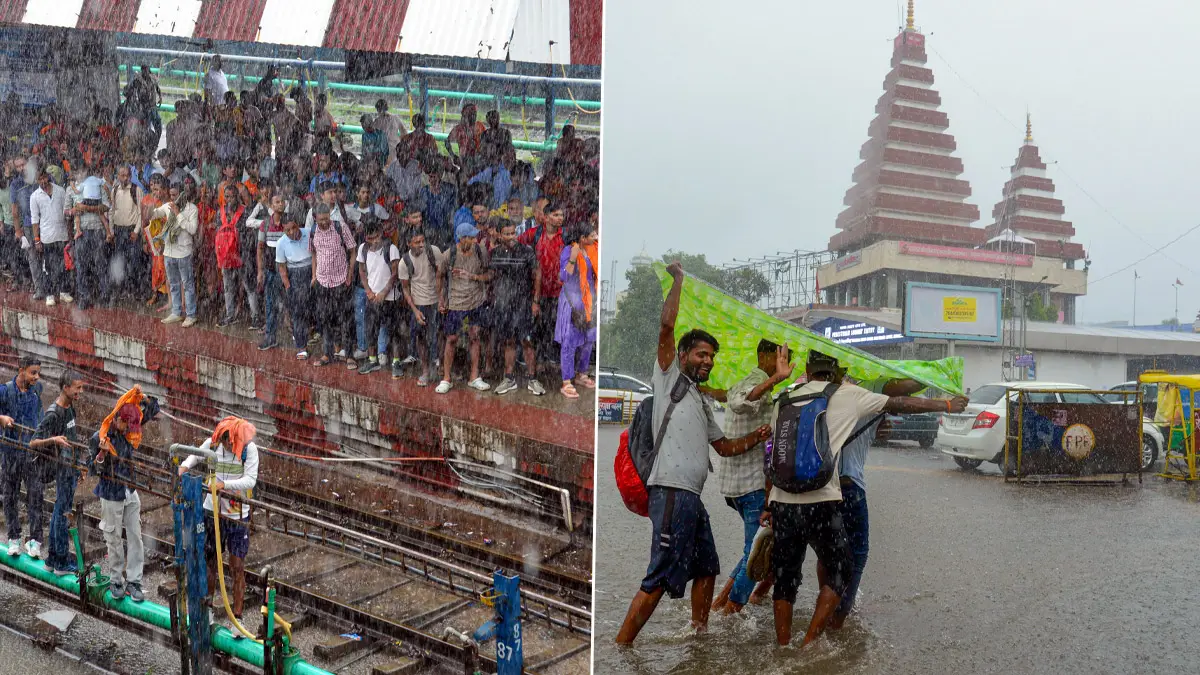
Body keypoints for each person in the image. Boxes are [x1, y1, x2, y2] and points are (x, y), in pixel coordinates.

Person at [614, 262, 773, 645]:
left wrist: (758, 434)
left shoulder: (701, 402)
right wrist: (679, 282)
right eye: (701, 354)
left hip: (691, 498)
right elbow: (667, 327)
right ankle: (622, 647)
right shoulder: (668, 377)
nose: (708, 361)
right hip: (669, 492)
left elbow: (724, 448)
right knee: (657, 577)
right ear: (683, 354)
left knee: (707, 566)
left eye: (711, 358)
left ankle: (698, 634)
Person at [762, 351, 967, 647]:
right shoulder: (848, 394)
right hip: (821, 498)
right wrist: (946, 404)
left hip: (784, 499)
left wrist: (769, 500)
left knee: (785, 578)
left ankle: (782, 648)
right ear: (837, 370)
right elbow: (900, 403)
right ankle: (810, 641)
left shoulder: (785, 398)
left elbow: (774, 451)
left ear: (807, 368)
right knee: (845, 564)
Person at [818, 371, 923, 629]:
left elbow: (874, 432)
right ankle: (838, 616)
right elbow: (908, 385)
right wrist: (935, 383)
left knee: (827, 552)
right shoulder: (871, 387)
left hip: (820, 487)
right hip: (849, 484)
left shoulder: (824, 392)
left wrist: (880, 429)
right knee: (858, 553)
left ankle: (827, 602)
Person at [710, 339, 795, 616]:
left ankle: (721, 602)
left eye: (787, 358)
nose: (784, 363)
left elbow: (726, 396)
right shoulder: (753, 383)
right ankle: (731, 612)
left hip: (740, 487)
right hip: (750, 488)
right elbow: (739, 401)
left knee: (755, 549)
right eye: (780, 357)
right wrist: (775, 378)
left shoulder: (765, 391)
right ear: (764, 355)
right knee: (755, 552)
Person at [178, 417, 260, 622]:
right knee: (210, 561)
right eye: (226, 443)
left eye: (232, 443)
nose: (229, 446)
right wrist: (185, 466)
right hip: (212, 510)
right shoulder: (213, 444)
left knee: (236, 566)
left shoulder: (249, 450)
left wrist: (225, 485)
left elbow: (250, 479)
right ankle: (208, 609)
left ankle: (237, 617)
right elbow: (196, 455)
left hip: (237, 515)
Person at [88, 400, 147, 601]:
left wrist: (144, 398)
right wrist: (103, 453)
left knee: (135, 536)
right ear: (117, 419)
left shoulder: (129, 432)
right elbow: (92, 468)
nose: (127, 430)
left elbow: (152, 409)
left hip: (130, 490)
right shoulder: (100, 437)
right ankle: (116, 579)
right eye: (125, 426)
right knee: (113, 539)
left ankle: (134, 580)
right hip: (111, 493)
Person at [33, 370, 85, 576]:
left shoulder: (70, 407)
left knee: (60, 510)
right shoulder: (54, 414)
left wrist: (78, 464)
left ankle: (53, 558)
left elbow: (73, 438)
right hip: (62, 469)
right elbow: (34, 442)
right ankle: (61, 562)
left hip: (70, 467)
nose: (80, 391)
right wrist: (53, 440)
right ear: (66, 387)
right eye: (78, 387)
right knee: (62, 512)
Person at [488, 220, 545, 396]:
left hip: (523, 305)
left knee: (527, 341)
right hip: (504, 306)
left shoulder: (526, 251)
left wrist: (535, 301)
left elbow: (537, 275)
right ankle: (509, 378)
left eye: (513, 233)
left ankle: (532, 380)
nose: (511, 237)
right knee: (509, 341)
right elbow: (492, 277)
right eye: (507, 234)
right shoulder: (495, 254)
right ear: (499, 235)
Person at [436, 222, 490, 394]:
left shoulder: (481, 251)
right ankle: (446, 378)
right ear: (462, 238)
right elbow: (439, 276)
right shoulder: (449, 255)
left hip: (476, 302)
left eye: (474, 237)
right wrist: (441, 300)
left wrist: (473, 277)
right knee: (451, 339)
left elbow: (489, 274)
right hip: (456, 303)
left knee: (475, 336)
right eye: (471, 237)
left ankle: (474, 376)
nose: (475, 240)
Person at [0, 356, 45, 560]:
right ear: (21, 371)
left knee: (36, 495)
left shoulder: (36, 392)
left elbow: (41, 418)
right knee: (10, 496)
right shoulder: (5, 391)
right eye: (33, 372)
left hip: (31, 455)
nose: (36, 377)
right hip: (10, 454)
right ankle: (14, 537)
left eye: (38, 373)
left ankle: (35, 539)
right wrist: (1, 418)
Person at [308, 202, 357, 368]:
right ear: (315, 218)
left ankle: (349, 355)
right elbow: (314, 254)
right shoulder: (313, 231)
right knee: (325, 319)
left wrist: (349, 275)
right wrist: (314, 275)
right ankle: (327, 354)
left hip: (341, 281)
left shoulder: (339, 227)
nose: (324, 222)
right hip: (322, 282)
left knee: (345, 319)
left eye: (326, 218)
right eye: (320, 220)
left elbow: (352, 251)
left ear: (330, 215)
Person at [518, 202, 565, 364]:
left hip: (559, 292)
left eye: (561, 215)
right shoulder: (534, 234)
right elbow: (517, 244)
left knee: (555, 327)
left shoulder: (565, 236)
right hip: (537, 291)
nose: (560, 218)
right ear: (545, 217)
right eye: (556, 215)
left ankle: (552, 361)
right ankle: (538, 362)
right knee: (538, 327)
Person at [556, 222, 598, 399]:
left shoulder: (592, 251)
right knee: (569, 341)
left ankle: (582, 373)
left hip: (588, 303)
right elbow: (563, 276)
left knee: (589, 339)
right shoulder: (569, 251)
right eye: (592, 234)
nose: (595, 236)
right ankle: (566, 381)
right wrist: (573, 258)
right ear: (582, 238)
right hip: (572, 303)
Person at [356, 220, 402, 375]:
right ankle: (372, 360)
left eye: (376, 237)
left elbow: (395, 274)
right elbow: (362, 272)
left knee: (393, 332)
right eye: (369, 238)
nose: (373, 241)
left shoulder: (391, 249)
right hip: (372, 297)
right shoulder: (363, 249)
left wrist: (384, 292)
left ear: (381, 234)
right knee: (371, 330)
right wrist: (368, 291)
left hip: (389, 298)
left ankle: (396, 362)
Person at [66, 164, 112, 310]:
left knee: (101, 265)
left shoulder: (97, 184)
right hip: (81, 233)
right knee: (81, 266)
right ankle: (84, 297)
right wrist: (74, 210)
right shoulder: (70, 189)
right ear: (73, 173)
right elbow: (66, 212)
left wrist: (88, 208)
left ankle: (104, 297)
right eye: (77, 171)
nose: (80, 173)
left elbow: (107, 206)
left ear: (86, 171)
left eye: (82, 170)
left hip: (98, 230)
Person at [154, 182, 199, 326]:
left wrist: (178, 214)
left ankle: (191, 315)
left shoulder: (192, 209)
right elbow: (155, 213)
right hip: (169, 251)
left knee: (187, 285)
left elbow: (192, 229)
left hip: (184, 252)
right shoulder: (167, 206)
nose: (172, 198)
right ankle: (176, 312)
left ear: (182, 195)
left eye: (175, 195)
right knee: (173, 284)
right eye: (170, 195)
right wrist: (151, 205)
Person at [275, 211, 315, 361]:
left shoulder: (309, 233)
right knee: (298, 313)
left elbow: (315, 255)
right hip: (295, 276)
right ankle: (301, 346)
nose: (292, 233)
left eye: (294, 228)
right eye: (287, 230)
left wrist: (314, 275)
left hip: (311, 272)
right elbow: (282, 267)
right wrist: (288, 286)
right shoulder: (281, 243)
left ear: (298, 225)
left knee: (312, 310)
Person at [30, 167, 72, 306]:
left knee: (64, 265)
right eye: (40, 179)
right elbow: (35, 220)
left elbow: (66, 212)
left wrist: (69, 233)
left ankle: (64, 292)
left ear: (48, 176)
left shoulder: (60, 191)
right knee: (47, 267)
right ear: (37, 180)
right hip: (46, 236)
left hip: (61, 234)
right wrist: (37, 240)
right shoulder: (35, 196)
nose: (43, 181)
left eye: (44, 178)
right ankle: (50, 294)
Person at [373, 99, 405, 167]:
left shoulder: (377, 122)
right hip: (396, 150)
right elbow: (404, 132)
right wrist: (398, 140)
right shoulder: (395, 118)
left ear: (377, 110)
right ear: (387, 108)